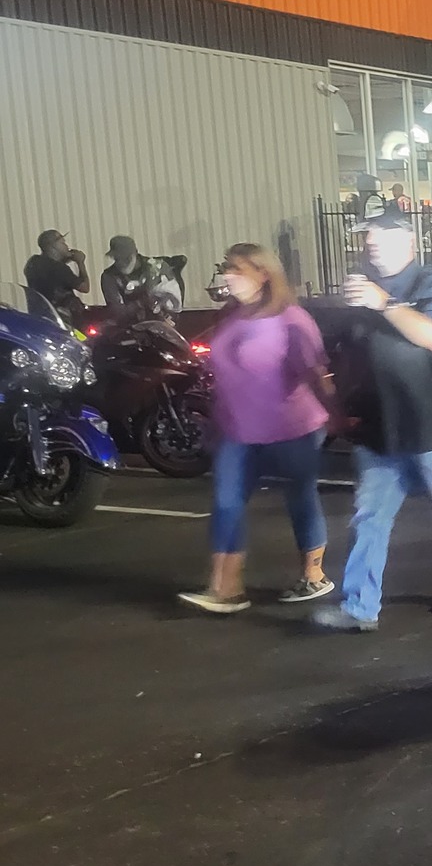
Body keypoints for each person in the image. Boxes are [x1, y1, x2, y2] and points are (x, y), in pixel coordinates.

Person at [310, 219, 432, 632]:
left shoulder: (431, 284)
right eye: (368, 236)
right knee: (369, 516)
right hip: (378, 425)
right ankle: (360, 607)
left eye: (382, 235)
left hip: (431, 422)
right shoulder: (361, 286)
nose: (371, 243)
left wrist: (384, 303)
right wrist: (339, 403)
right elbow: (346, 352)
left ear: (408, 240)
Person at [179, 243, 335, 614]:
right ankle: (226, 589)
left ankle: (313, 575)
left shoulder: (291, 318)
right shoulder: (233, 317)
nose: (228, 276)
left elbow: (316, 372)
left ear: (263, 274)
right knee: (226, 502)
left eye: (237, 269)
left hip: (292, 427)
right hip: (238, 430)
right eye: (227, 268)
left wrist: (339, 414)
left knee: (300, 497)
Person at [24, 230, 87, 326]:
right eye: (63, 243)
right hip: (64, 319)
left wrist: (67, 259)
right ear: (53, 246)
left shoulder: (33, 263)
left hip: (42, 315)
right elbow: (84, 287)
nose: (66, 246)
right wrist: (80, 262)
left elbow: (50, 268)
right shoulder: (60, 269)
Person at [100, 235, 150, 315]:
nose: (121, 262)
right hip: (130, 321)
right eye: (117, 258)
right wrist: (140, 303)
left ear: (136, 253)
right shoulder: (109, 276)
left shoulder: (155, 267)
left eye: (126, 258)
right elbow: (117, 311)